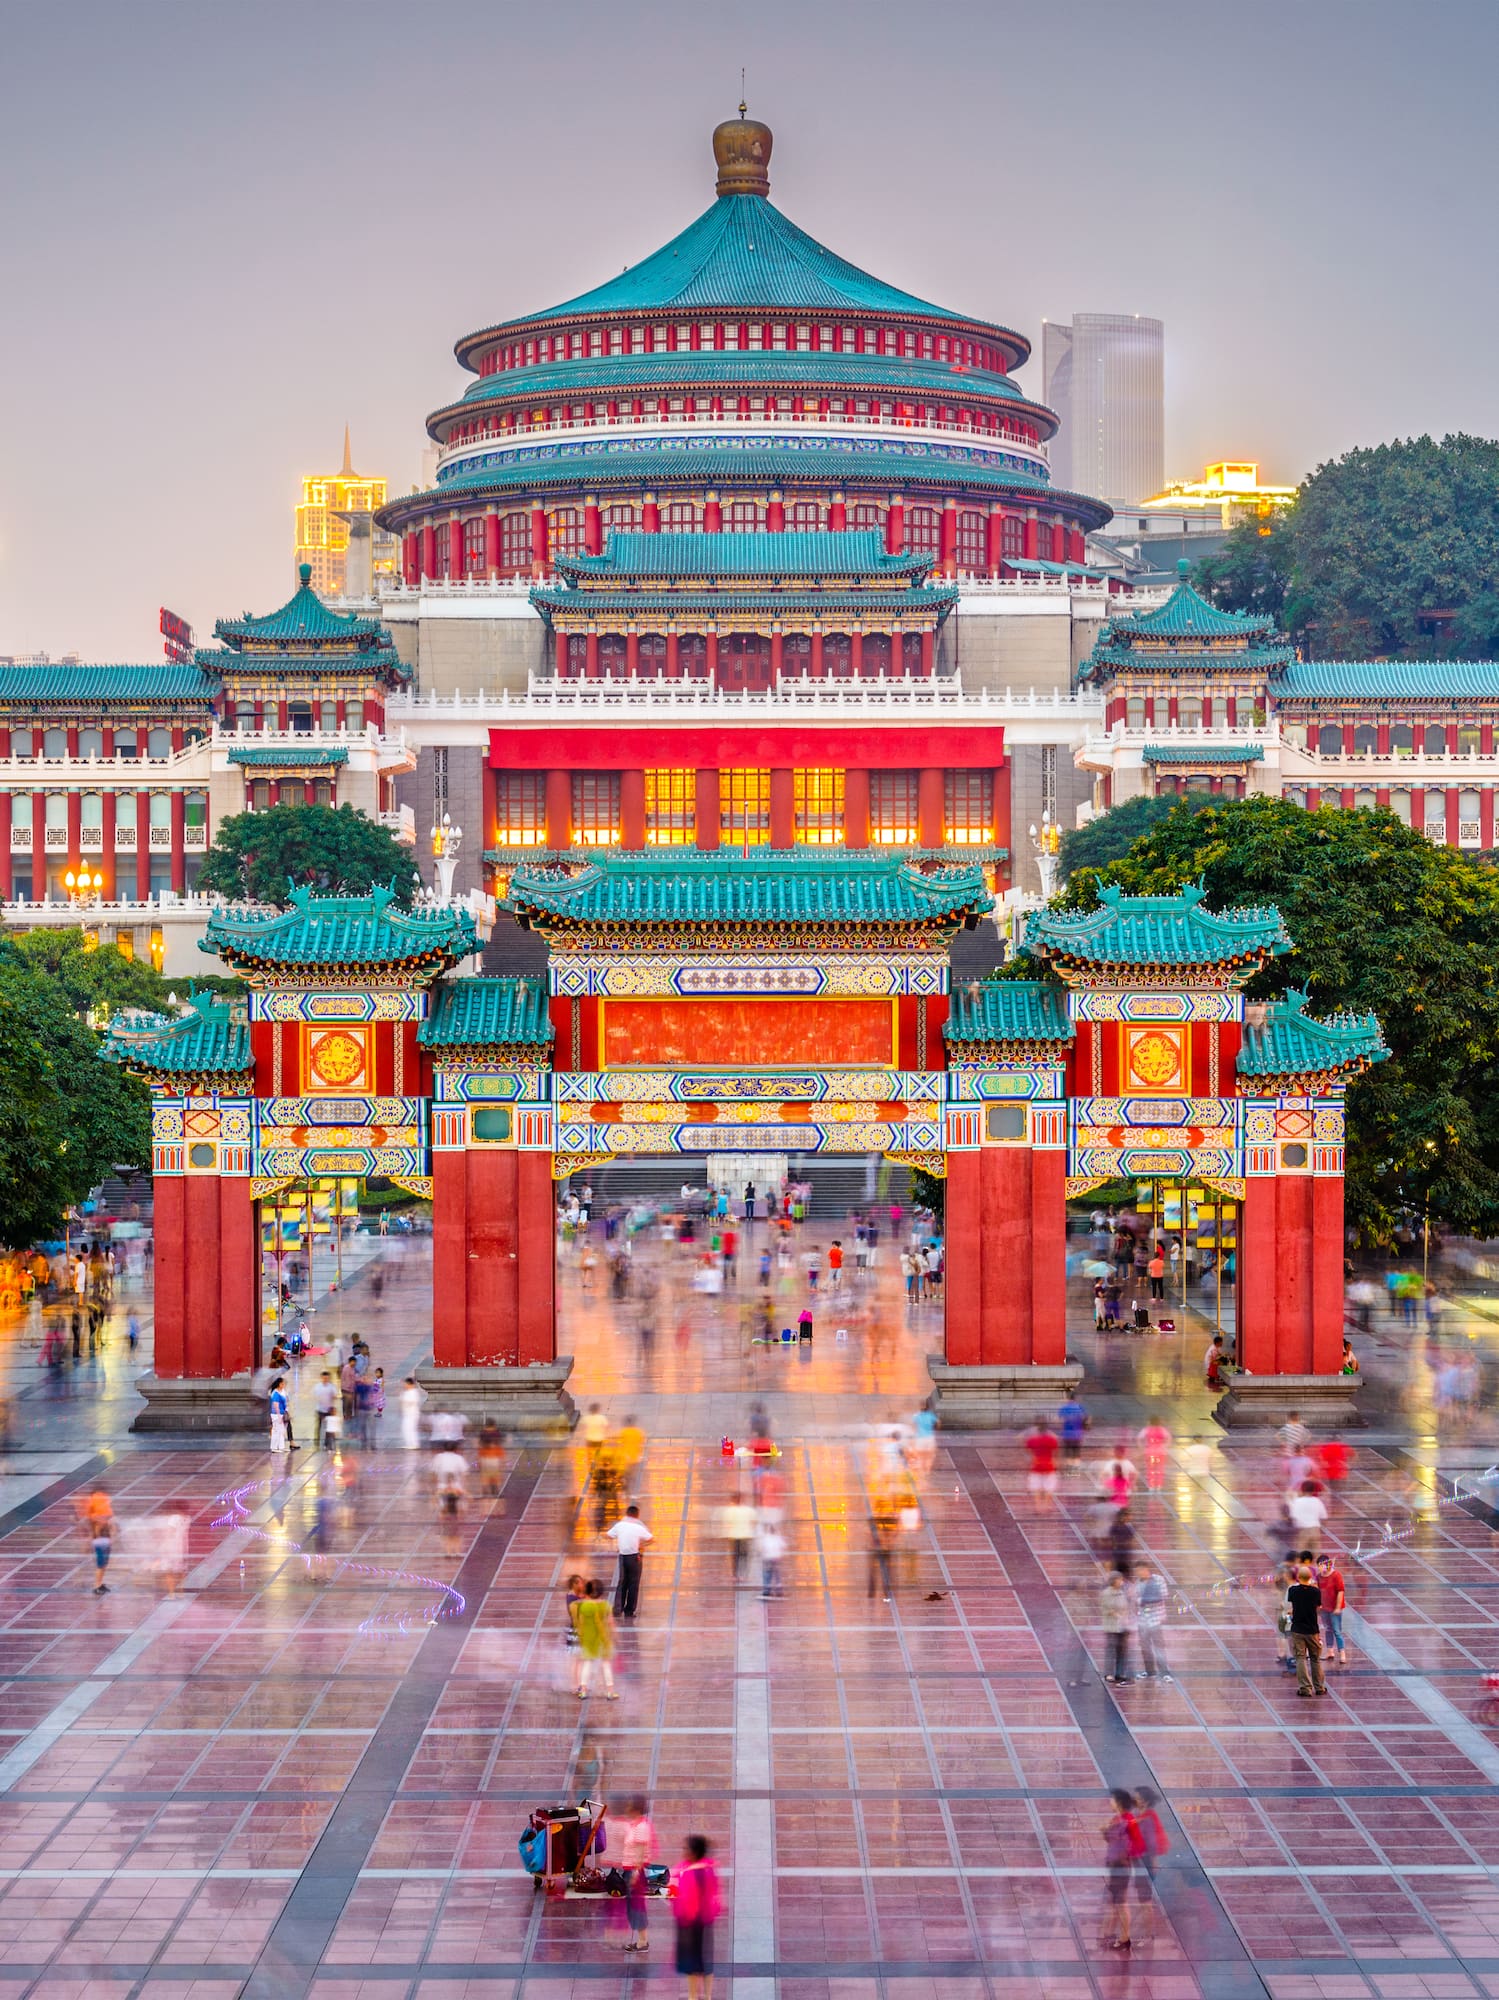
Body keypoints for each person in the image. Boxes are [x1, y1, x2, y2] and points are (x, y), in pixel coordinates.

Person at [673, 1833, 722, 1999]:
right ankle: (707, 1996)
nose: (683, 1851)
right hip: (706, 1919)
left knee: (692, 1963)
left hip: (691, 1923)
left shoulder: (689, 1873)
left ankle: (693, 1996)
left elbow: (686, 1900)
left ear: (694, 1852)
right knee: (706, 1961)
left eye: (686, 1848)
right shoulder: (709, 1869)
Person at [1100, 1790, 1144, 1948]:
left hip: (1121, 1866)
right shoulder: (1117, 1819)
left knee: (1121, 1902)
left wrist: (1125, 1855)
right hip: (1114, 1866)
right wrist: (1105, 1832)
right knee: (1114, 1902)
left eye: (1112, 1800)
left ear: (1118, 1802)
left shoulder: (1128, 1820)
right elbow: (1111, 1840)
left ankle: (1124, 1938)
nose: (1110, 1803)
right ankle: (1111, 1935)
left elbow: (1137, 1843)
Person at [619, 1796, 658, 1951]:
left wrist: (636, 1872)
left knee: (637, 1906)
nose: (626, 1808)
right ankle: (642, 1940)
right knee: (633, 1905)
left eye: (629, 1806)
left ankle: (642, 1942)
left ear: (635, 1809)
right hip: (630, 1869)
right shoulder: (634, 1825)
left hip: (635, 1872)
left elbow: (641, 1852)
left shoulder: (641, 1827)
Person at [1287, 1562, 1328, 1696]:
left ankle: (1305, 1688)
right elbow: (1318, 1608)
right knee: (1315, 1659)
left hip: (1298, 1629)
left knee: (1300, 1658)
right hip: (1312, 1630)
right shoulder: (1316, 1592)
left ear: (1298, 1577)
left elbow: (1293, 1606)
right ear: (1310, 1577)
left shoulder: (1293, 1590)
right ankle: (1319, 1687)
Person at [607, 1503, 654, 1619]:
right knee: (633, 1584)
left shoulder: (620, 1525)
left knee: (622, 1582)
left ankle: (618, 1609)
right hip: (635, 1557)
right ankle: (629, 1611)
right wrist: (640, 1545)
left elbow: (608, 1535)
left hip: (623, 1556)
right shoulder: (639, 1526)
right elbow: (651, 1539)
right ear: (637, 1515)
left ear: (627, 1514)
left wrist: (621, 1542)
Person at [575, 1578, 619, 1699]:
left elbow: (580, 1623)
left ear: (587, 1592)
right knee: (606, 1664)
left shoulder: (583, 1606)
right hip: (603, 1640)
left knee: (587, 1663)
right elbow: (611, 1622)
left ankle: (583, 1690)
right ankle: (610, 1691)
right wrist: (615, 1635)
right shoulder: (606, 1605)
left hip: (588, 1640)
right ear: (601, 1592)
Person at [1134, 1566, 1170, 1680]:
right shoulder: (1138, 1583)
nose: (1138, 1574)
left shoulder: (1158, 1580)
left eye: (1140, 1571)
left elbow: (1163, 1596)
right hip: (1142, 1621)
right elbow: (1135, 1599)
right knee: (1145, 1647)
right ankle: (1150, 1671)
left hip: (1155, 1620)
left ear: (1146, 1570)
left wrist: (1143, 1600)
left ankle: (1164, 1673)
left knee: (1159, 1647)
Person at [1100, 1570, 1135, 1683]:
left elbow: (1125, 1607)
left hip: (1122, 1627)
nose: (1121, 1582)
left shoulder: (1121, 1592)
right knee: (1111, 1650)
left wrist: (1125, 1618)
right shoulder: (1106, 1593)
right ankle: (1108, 1673)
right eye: (1119, 1579)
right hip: (1111, 1626)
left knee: (1122, 1650)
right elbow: (1107, 1609)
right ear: (1114, 1581)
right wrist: (1119, 1616)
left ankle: (1119, 1673)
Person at [1317, 1552, 1348, 1666]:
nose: (1321, 1568)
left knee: (1337, 1631)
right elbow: (1317, 1591)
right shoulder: (1319, 1577)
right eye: (1319, 1565)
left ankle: (1342, 1653)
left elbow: (1340, 1591)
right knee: (1328, 1629)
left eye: (1322, 1565)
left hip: (1335, 1609)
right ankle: (1330, 1651)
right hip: (1324, 1608)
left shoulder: (1336, 1575)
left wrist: (1338, 1607)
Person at [1023, 1421, 1060, 1512]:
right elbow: (1055, 1453)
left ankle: (1038, 1507)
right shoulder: (1052, 1440)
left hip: (1036, 1465)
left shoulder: (1032, 1440)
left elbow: (1027, 1450)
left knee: (1036, 1489)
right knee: (1049, 1488)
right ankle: (1047, 1506)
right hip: (1049, 1465)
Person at [1288, 1479, 1328, 1555]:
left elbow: (1292, 1517)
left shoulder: (1297, 1501)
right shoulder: (1317, 1501)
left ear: (1302, 1489)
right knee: (1316, 1555)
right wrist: (1321, 1530)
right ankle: (1316, 1566)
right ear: (1313, 1490)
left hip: (1302, 1531)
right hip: (1315, 1530)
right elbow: (1324, 1517)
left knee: (1301, 1556)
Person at [477, 1419, 506, 1498]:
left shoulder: (483, 1433)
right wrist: (502, 1464)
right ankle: (495, 1491)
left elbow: (480, 1445)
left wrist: (479, 1463)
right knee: (495, 1477)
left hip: (485, 1459)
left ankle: (485, 1492)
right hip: (494, 1459)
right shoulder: (497, 1433)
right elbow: (501, 1446)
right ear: (494, 1424)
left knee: (485, 1477)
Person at [1058, 1394, 1088, 1464]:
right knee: (1076, 1451)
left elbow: (1060, 1421)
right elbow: (1085, 1419)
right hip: (1077, 1434)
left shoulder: (1064, 1408)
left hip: (1067, 1434)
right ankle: (1076, 1466)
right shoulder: (1080, 1407)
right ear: (1075, 1399)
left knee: (1067, 1450)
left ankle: (1068, 1465)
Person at [399, 1376, 425, 1451]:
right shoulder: (406, 1392)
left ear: (410, 1384)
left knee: (411, 1429)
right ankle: (409, 1443)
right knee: (406, 1429)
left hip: (412, 1415)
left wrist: (404, 1400)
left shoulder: (414, 1392)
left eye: (406, 1384)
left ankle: (414, 1444)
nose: (405, 1385)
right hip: (407, 1414)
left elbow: (411, 1402)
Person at [313, 1372, 337, 1452]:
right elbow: (315, 1396)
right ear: (321, 1377)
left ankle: (327, 1444)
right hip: (320, 1409)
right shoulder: (317, 1387)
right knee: (319, 1427)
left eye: (327, 1378)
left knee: (328, 1428)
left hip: (329, 1410)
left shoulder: (331, 1387)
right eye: (324, 1378)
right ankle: (317, 1443)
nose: (325, 1379)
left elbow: (335, 1396)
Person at [269, 1377, 293, 1454]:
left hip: (283, 1413)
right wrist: (279, 1415)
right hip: (276, 1414)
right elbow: (276, 1405)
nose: (284, 1385)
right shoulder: (275, 1393)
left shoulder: (282, 1392)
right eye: (282, 1383)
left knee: (281, 1431)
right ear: (279, 1384)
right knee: (276, 1430)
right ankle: (274, 1447)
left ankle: (281, 1446)